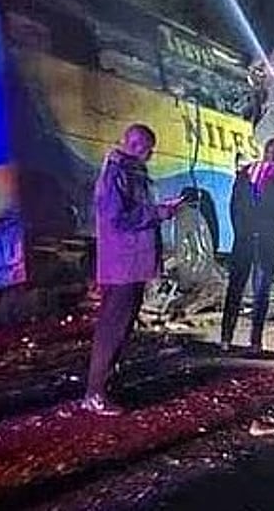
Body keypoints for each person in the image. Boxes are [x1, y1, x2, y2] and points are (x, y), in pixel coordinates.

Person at [77, 124, 180, 415]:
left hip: (130, 264)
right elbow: (117, 218)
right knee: (113, 329)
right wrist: (159, 212)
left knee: (119, 328)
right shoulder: (117, 173)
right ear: (136, 146)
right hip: (123, 265)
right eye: (148, 150)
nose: (150, 156)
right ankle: (95, 394)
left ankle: (104, 389)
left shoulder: (128, 171)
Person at [221, 137, 274, 355]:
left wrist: (240, 230)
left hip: (254, 238)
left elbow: (235, 205)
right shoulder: (273, 177)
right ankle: (246, 339)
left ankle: (235, 338)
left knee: (244, 289)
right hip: (260, 238)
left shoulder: (255, 174)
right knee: (253, 291)